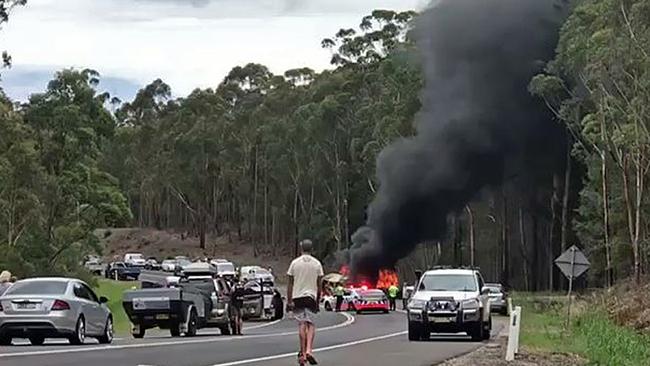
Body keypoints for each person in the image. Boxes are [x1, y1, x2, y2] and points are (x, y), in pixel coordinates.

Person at [287, 239, 323, 366]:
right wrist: (318, 300)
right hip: (311, 297)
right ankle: (309, 350)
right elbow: (319, 285)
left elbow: (290, 283)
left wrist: (289, 300)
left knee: (302, 324)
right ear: (312, 249)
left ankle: (302, 353)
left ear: (301, 248)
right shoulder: (317, 264)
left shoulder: (294, 263)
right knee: (311, 324)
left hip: (297, 297)